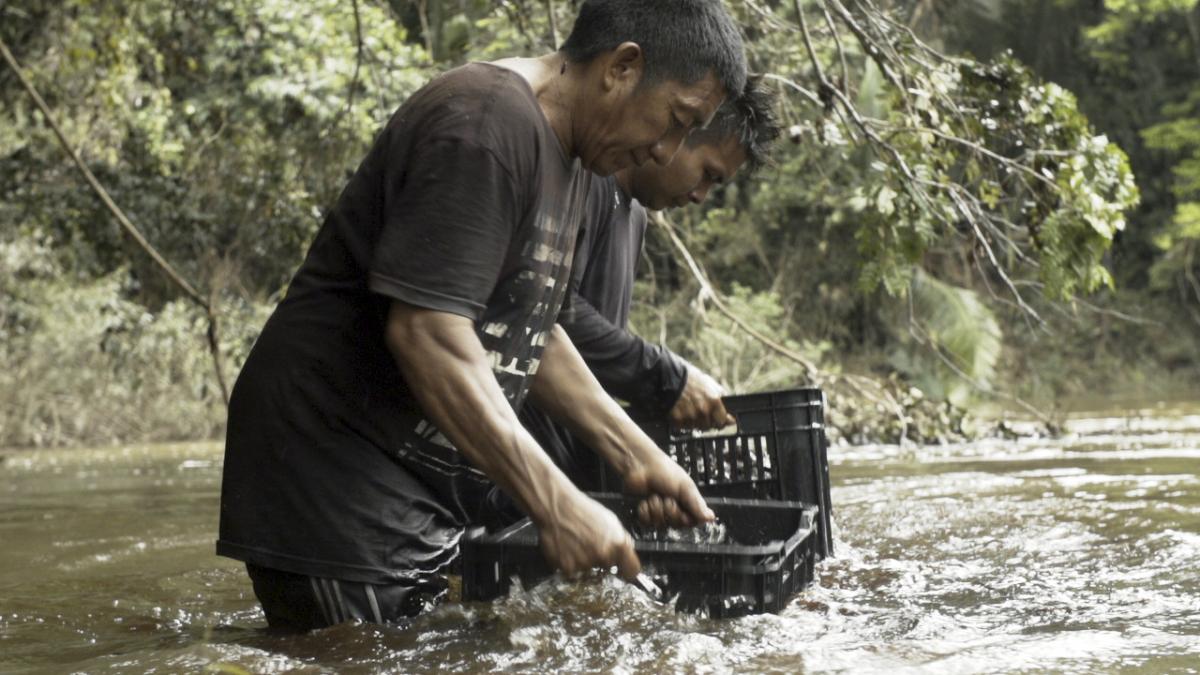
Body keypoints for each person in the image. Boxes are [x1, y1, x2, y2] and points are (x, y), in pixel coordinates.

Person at [216, 0, 747, 631]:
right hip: (336, 489)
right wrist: (556, 503)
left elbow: (530, 325)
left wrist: (636, 455)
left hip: (412, 498)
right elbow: (428, 332)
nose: (667, 151)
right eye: (677, 121)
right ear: (622, 67)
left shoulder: (575, 157)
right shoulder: (485, 124)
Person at [514, 77, 781, 504]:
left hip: (572, 465)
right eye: (707, 174)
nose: (700, 196)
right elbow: (547, 316)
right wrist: (663, 377)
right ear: (676, 133)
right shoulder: (587, 183)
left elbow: (595, 357)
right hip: (521, 468)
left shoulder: (634, 212)